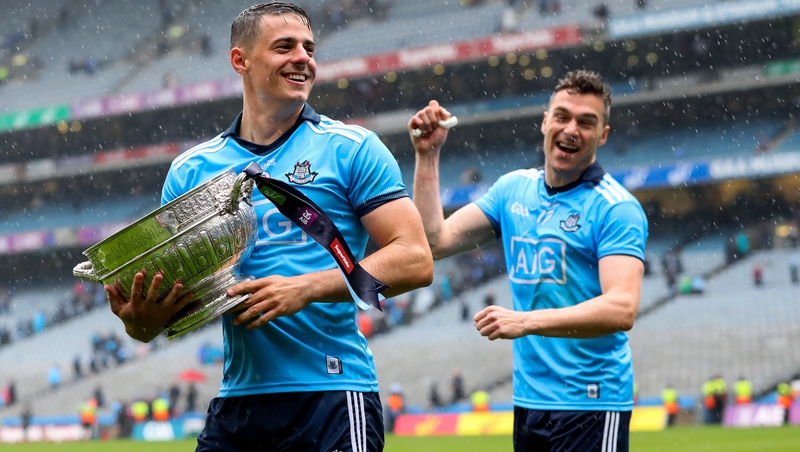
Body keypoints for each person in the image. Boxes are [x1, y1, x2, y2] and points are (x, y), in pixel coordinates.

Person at [105, 3, 433, 451]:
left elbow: (415, 260)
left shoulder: (352, 148)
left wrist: (306, 288)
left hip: (334, 395)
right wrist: (142, 322)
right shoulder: (190, 171)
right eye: (284, 47)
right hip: (238, 404)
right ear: (240, 60)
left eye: (309, 48)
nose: (303, 57)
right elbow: (166, 313)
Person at [410, 70, 647, 451]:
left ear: (602, 135)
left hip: (591, 400)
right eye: (562, 116)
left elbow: (622, 308)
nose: (571, 129)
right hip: (530, 401)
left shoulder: (616, 209)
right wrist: (428, 154)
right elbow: (434, 241)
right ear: (545, 121)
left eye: (587, 122)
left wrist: (526, 321)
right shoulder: (512, 189)